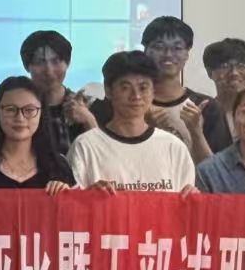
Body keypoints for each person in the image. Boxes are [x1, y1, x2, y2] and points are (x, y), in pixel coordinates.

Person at [69, 51, 196, 192]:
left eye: (143, 88)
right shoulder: (85, 146)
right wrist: (88, 196)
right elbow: (72, 202)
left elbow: (185, 202)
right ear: (108, 91)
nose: (136, 96)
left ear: (153, 91)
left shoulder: (174, 147)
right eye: (125, 88)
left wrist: (194, 197)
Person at [94, 16, 212, 165]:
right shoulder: (121, 103)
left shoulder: (204, 106)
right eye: (159, 47)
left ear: (187, 53)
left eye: (177, 48)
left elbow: (217, 172)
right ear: (146, 51)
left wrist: (196, 132)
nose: (168, 54)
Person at [0, 75, 75, 194]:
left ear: (42, 114)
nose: (20, 118)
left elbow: (76, 205)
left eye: (29, 110)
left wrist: (67, 195)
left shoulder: (58, 166)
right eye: (10, 109)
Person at [20, 30, 95, 159]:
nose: (49, 70)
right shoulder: (18, 107)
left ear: (68, 63)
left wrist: (88, 120)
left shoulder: (85, 105)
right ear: (27, 66)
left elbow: (102, 157)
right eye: (39, 62)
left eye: (56, 61)